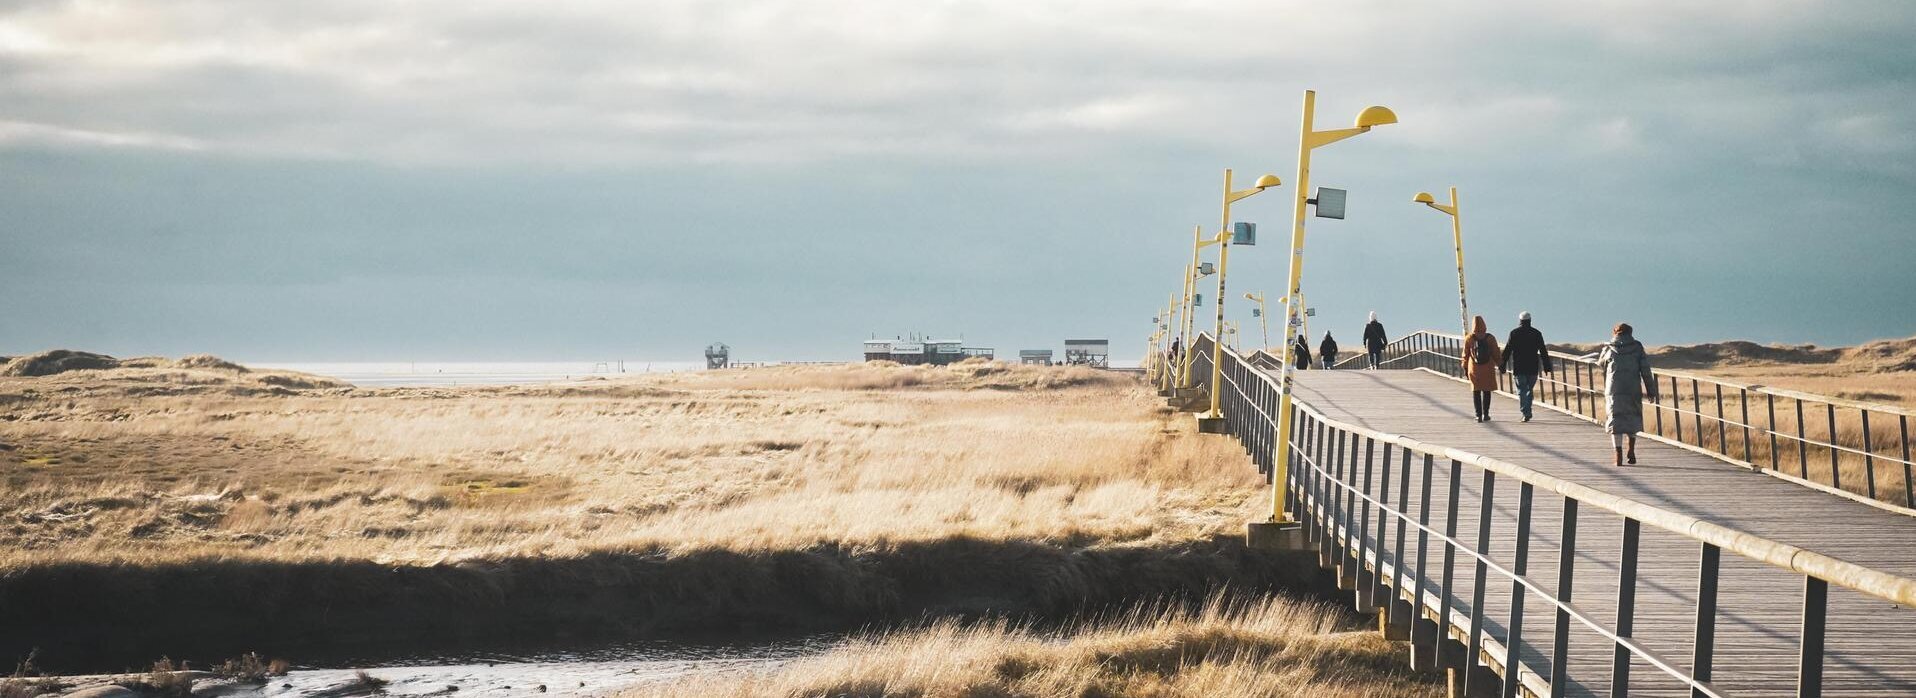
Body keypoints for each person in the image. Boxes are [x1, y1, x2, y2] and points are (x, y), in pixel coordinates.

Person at [1598, 322, 1659, 466]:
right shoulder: (1637, 347)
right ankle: (1631, 450)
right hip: (1633, 389)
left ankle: (1618, 454)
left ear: (1615, 333)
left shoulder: (1608, 348)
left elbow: (1601, 363)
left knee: (1615, 419)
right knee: (1632, 417)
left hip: (1614, 390)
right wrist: (1651, 391)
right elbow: (1645, 370)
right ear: (1630, 333)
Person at [1500, 311, 1554, 422]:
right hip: (1533, 367)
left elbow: (1507, 350)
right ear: (1530, 321)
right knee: (1529, 389)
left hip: (1519, 367)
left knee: (1522, 390)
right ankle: (1527, 410)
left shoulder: (1514, 333)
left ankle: (1526, 412)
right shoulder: (1536, 333)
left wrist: (1503, 364)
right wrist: (1547, 366)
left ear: (1519, 321)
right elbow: (1543, 351)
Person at [1462, 315, 1502, 422]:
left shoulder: (1469, 338)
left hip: (1474, 368)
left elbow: (1465, 355)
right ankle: (1486, 414)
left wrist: (1465, 367)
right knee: (1486, 391)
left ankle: (1478, 415)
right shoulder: (1490, 338)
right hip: (1487, 368)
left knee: (1476, 391)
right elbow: (1496, 354)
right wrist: (1500, 364)